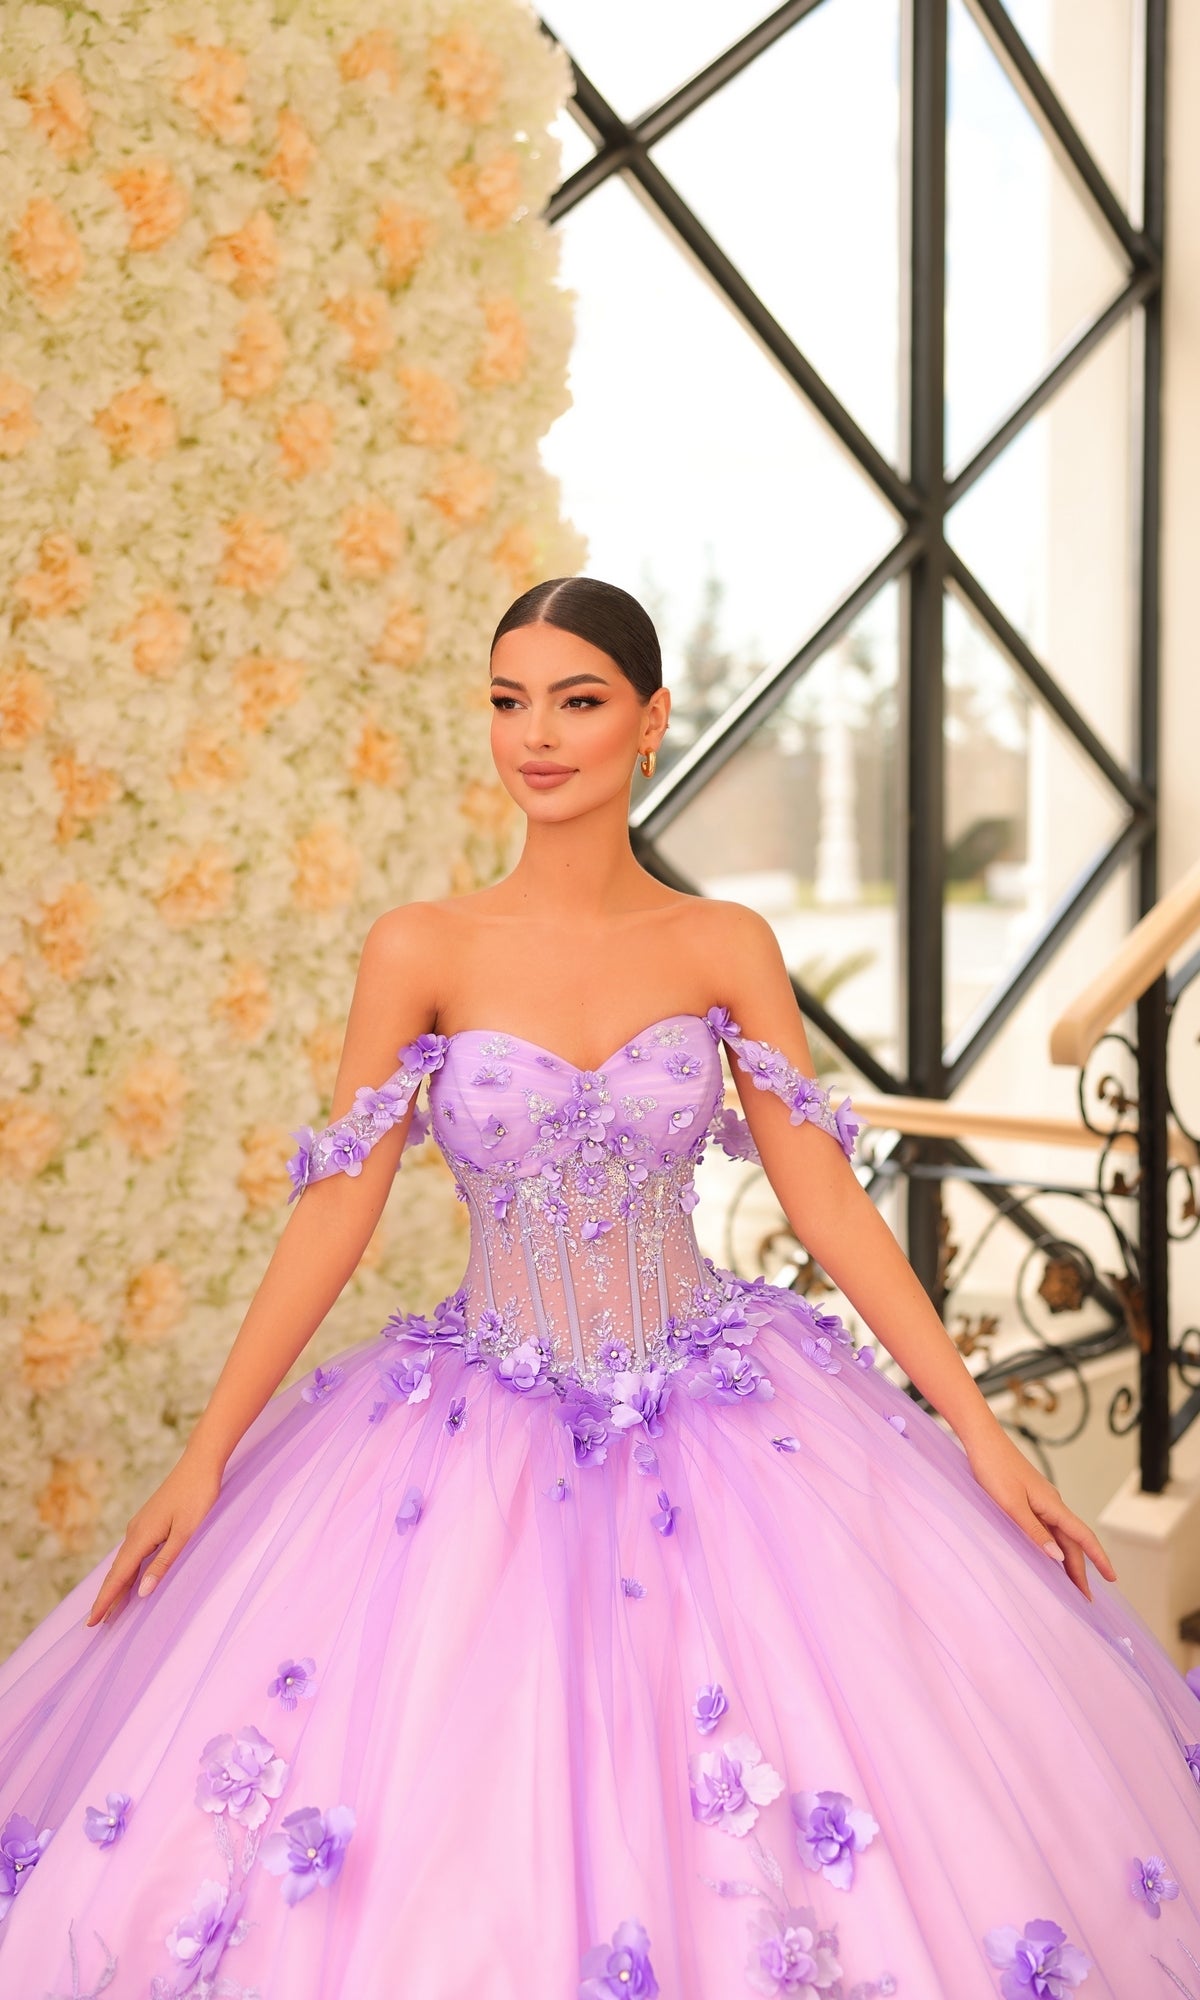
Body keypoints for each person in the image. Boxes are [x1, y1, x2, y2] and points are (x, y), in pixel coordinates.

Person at [1, 576, 1198, 2000]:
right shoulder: (422, 946)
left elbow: (827, 1203)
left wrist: (979, 1435)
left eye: (576, 700)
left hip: (729, 1414)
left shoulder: (722, 945)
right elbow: (336, 1213)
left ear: (650, 718)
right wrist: (206, 1455)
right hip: (471, 1432)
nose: (537, 736)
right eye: (510, 701)